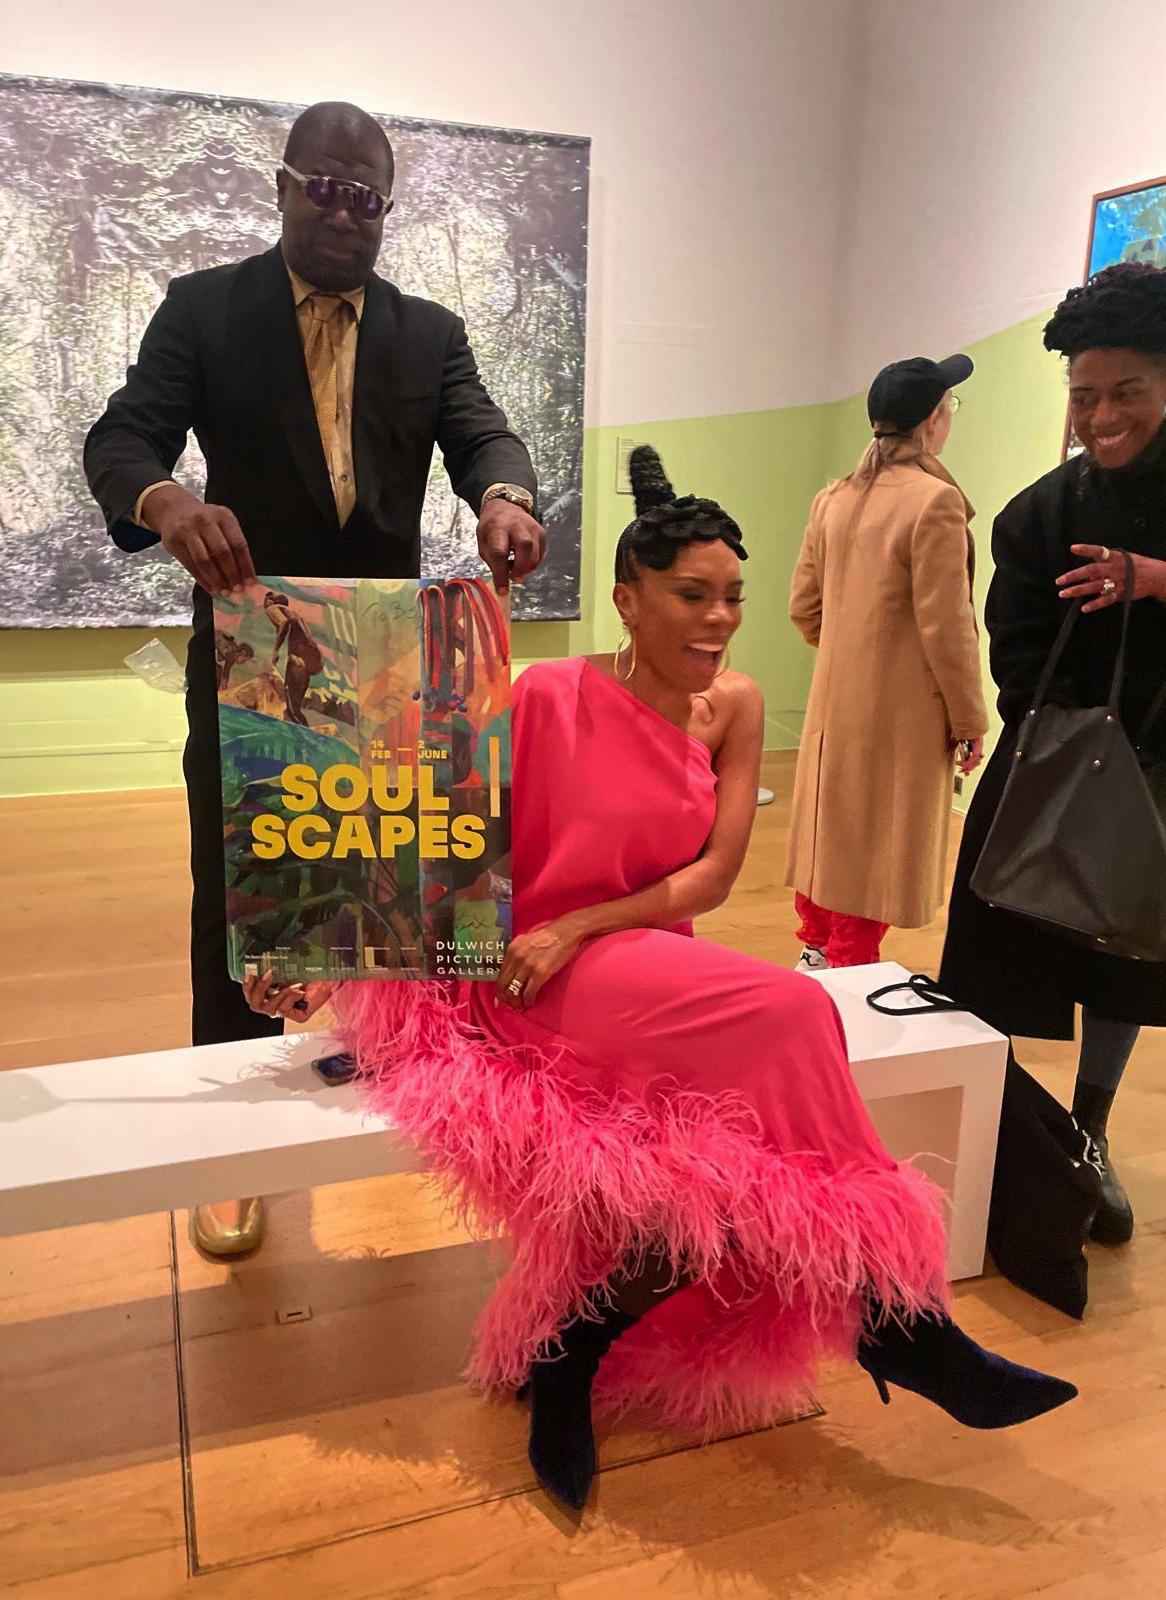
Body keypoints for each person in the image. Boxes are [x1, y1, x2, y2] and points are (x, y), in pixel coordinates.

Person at [245, 446, 1076, 1513]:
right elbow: (431, 830)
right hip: (526, 974)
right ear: (626, 600)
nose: (719, 619)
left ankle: (579, 1349)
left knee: (729, 1125)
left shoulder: (735, 705)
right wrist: (324, 958)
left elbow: (712, 875)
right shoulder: (547, 693)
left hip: (630, 956)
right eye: (691, 594)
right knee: (790, 1009)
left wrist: (585, 924)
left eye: (732, 595)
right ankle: (892, 1319)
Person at [84, 101, 543, 1256]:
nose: (344, 213)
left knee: (396, 891)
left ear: (388, 206)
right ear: (283, 186)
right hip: (252, 661)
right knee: (239, 899)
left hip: (387, 664)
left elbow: (482, 434)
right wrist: (168, 501)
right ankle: (228, 1152)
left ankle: (395, 1096)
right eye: (324, 189)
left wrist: (503, 495)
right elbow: (120, 440)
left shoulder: (429, 334)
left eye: (366, 197)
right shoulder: (205, 310)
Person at [941, 263, 1166, 1247]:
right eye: (1084, 395)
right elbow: (1016, 652)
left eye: (1127, 392)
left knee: (1126, 965)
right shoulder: (1036, 515)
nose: (1101, 417)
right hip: (1047, 772)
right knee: (997, 960)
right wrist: (1078, 750)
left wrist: (1154, 579)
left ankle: (1087, 1133)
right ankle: (992, 1134)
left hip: (1159, 783)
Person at [786, 356, 988, 971]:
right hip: (901, 716)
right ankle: (851, 982)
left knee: (831, 835)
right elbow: (947, 629)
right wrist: (969, 720)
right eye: (950, 407)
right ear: (933, 420)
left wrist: (852, 651)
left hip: (832, 706)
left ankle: (815, 958)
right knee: (875, 850)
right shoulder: (935, 503)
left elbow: (804, 608)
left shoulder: (832, 499)